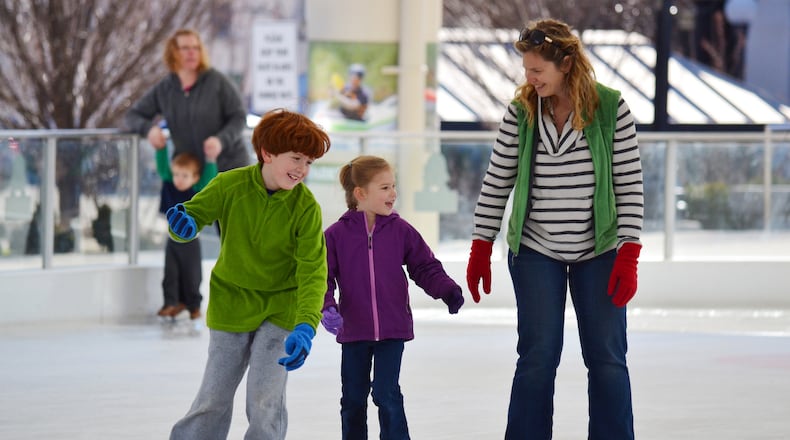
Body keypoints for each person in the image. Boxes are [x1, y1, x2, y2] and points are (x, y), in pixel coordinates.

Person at [465, 19, 644, 440]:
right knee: (537, 356)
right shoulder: (522, 112)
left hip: (599, 251)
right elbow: (497, 181)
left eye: (537, 70)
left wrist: (628, 253)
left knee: (607, 358)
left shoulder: (610, 108)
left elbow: (630, 185)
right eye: (526, 70)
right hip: (535, 250)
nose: (529, 78)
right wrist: (480, 247)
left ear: (564, 63)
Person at [164, 108, 331, 440]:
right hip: (232, 303)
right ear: (267, 153)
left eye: (309, 162)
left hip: (280, 309)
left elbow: (313, 271)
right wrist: (182, 227)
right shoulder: (230, 185)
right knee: (214, 396)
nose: (302, 169)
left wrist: (305, 325)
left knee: (265, 399)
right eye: (296, 158)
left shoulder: (306, 208)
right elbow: (192, 216)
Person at [321, 155, 465, 440]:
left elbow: (424, 266)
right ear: (361, 193)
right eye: (385, 188)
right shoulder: (336, 235)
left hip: (392, 329)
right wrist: (327, 307)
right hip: (354, 330)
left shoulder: (401, 231)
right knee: (352, 398)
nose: (393, 194)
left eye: (393, 186)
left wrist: (446, 289)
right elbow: (321, 277)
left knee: (386, 393)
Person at [124, 28, 249, 174]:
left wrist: (221, 141)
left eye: (196, 48)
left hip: (229, 168)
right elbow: (132, 116)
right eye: (185, 48)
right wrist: (149, 129)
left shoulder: (217, 81)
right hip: (191, 174)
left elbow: (239, 116)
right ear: (173, 53)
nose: (192, 52)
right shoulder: (165, 89)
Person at [155, 140, 220, 321]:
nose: (179, 179)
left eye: (184, 175)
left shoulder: (197, 190)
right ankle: (171, 302)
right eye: (176, 174)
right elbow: (163, 169)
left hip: (191, 241)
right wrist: (161, 148)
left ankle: (193, 305)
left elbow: (210, 179)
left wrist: (211, 159)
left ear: (195, 178)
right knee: (171, 273)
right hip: (171, 240)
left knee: (192, 275)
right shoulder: (169, 185)